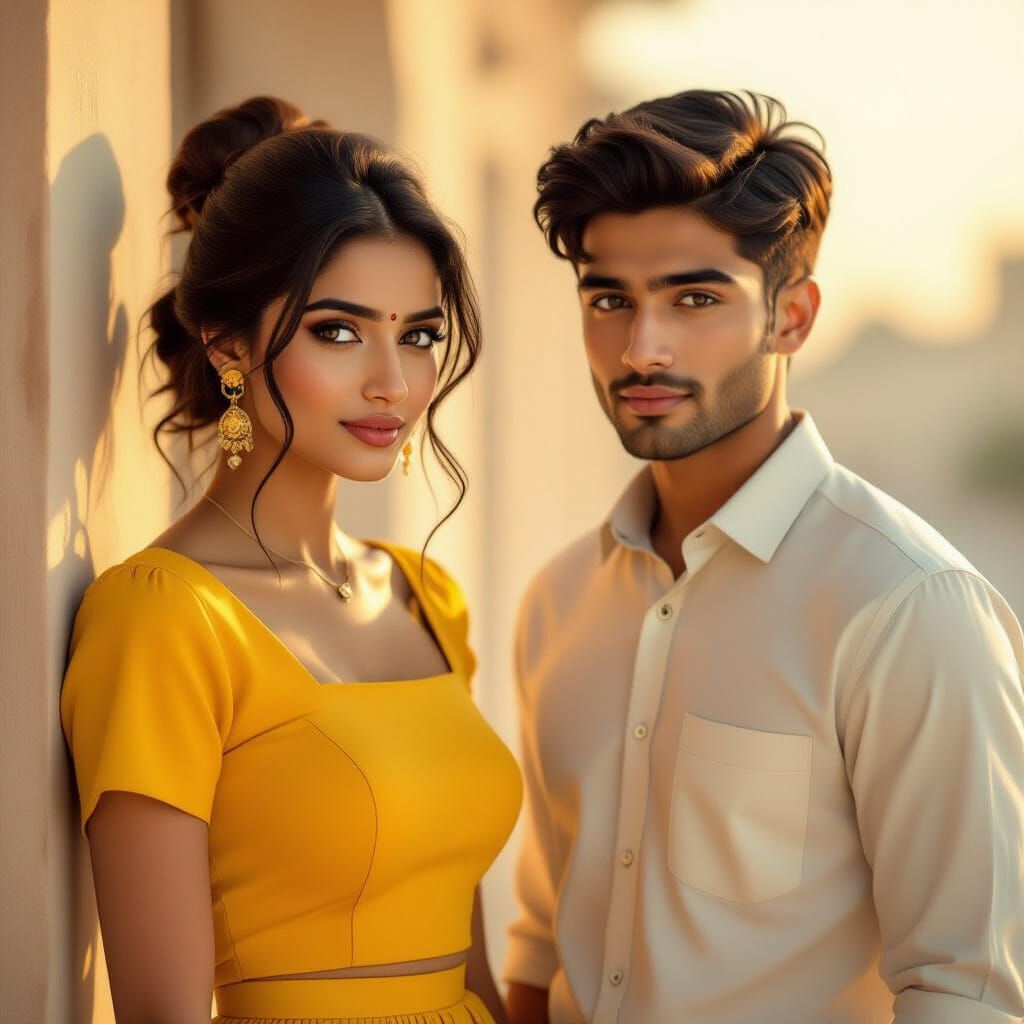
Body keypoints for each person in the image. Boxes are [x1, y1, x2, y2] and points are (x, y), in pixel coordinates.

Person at [502, 89, 1024, 1024]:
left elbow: (962, 991)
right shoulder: (558, 603)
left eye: (694, 298)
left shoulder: (908, 607)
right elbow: (541, 950)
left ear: (792, 317)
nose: (641, 348)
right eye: (608, 299)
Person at [59, 96, 522, 1024]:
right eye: (339, 331)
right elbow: (163, 1012)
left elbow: (475, 974)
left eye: (419, 334)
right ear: (228, 342)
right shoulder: (163, 619)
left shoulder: (426, 597)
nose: (393, 381)